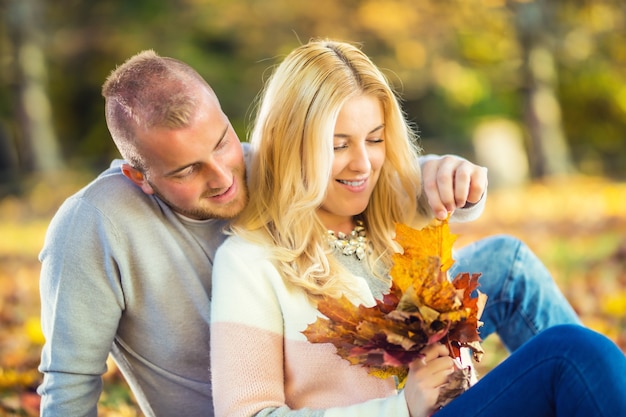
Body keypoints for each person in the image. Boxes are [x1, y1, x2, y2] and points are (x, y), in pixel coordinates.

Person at [38, 49, 578, 417]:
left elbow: (353, 172)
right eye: (185, 171)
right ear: (140, 176)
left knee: (507, 264)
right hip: (263, 395)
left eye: (223, 142)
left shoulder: (257, 165)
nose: (225, 177)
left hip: (346, 366)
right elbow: (69, 384)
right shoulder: (94, 226)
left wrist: (445, 175)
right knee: (567, 355)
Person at [209, 39, 626, 417]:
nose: (363, 164)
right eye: (337, 145)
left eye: (374, 139)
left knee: (576, 351)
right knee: (573, 353)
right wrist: (398, 408)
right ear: (289, 145)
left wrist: (461, 180)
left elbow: (427, 188)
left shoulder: (387, 221)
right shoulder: (248, 262)